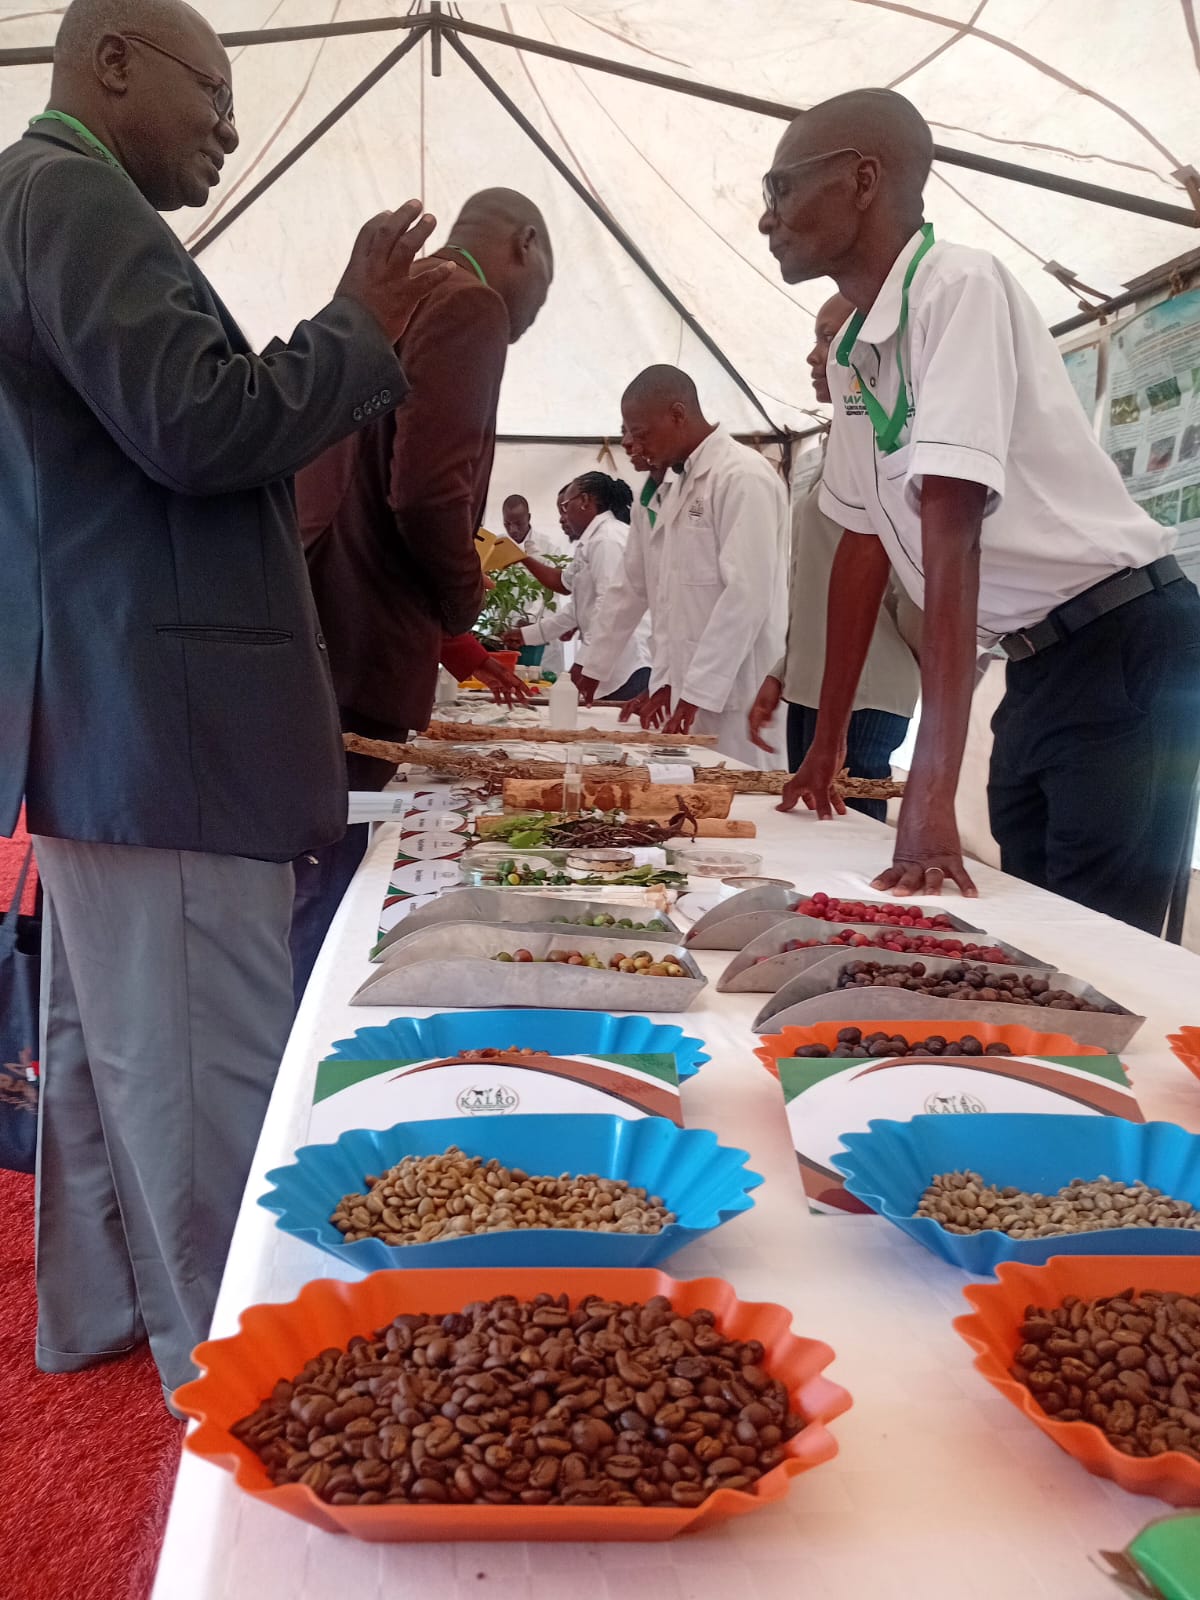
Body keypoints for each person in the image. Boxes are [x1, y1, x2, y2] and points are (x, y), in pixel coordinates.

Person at [0, 0, 452, 1407]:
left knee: (112, 1060)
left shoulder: (50, 199)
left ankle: (120, 1319)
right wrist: (355, 325)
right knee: (202, 1082)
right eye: (214, 91)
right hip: (164, 724)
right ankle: (251, 1385)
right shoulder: (71, 197)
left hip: (119, 723)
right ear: (111, 61)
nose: (230, 130)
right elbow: (201, 428)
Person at [760, 87, 1200, 932]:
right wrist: (826, 747)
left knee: (1099, 944)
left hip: (1124, 638)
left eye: (780, 188)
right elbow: (861, 542)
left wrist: (928, 789)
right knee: (1029, 926)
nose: (766, 217)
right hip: (1034, 657)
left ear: (861, 179)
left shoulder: (956, 286)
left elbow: (950, 524)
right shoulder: (856, 351)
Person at [293, 188, 552, 998]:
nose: (538, 305)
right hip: (365, 645)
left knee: (314, 873)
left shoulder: (394, 295)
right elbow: (427, 493)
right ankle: (309, 1060)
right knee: (333, 889)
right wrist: (461, 600)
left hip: (322, 629)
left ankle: (291, 1036)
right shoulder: (469, 304)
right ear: (527, 245)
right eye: (547, 280)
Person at [747, 294, 919, 819]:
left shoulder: (897, 443)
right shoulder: (831, 451)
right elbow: (817, 581)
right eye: (817, 339)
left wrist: (912, 662)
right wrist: (786, 667)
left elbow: (912, 587)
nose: (814, 356)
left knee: (848, 848)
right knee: (812, 831)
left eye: (828, 337)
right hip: (813, 682)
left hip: (866, 691)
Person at [578, 367, 787, 768]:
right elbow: (646, 592)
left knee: (743, 803)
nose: (633, 445)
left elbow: (746, 595)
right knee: (692, 807)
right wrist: (614, 670)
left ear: (677, 415)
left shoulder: (741, 476)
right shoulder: (674, 486)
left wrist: (695, 691)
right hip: (688, 694)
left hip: (738, 692)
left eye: (642, 434)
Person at [514, 472, 652, 700]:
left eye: (565, 507)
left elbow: (608, 607)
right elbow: (575, 606)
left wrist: (584, 664)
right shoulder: (591, 542)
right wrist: (527, 635)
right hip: (608, 665)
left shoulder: (607, 540)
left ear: (585, 501)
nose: (562, 518)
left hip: (626, 666)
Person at [499, 491, 568, 670]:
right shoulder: (498, 547)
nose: (513, 530)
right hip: (509, 637)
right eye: (507, 524)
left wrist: (529, 622)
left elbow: (552, 593)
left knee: (543, 687)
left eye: (518, 523)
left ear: (528, 517)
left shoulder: (549, 547)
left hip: (542, 636)